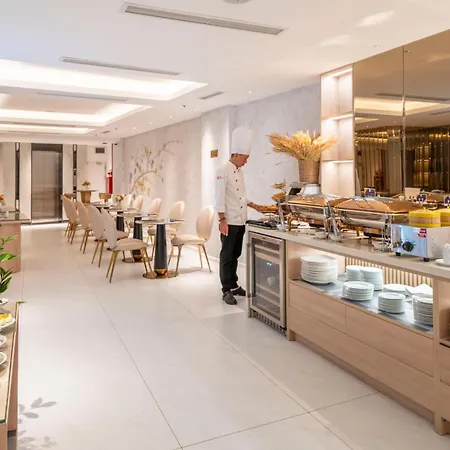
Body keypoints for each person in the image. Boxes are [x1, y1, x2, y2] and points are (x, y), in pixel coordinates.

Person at [215, 127, 260, 305]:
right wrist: (222, 220)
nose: (246, 161)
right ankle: (226, 289)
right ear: (237, 154)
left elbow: (240, 196)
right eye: (245, 158)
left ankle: (233, 285)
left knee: (236, 253)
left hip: (240, 220)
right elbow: (219, 198)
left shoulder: (239, 172)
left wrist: (255, 205)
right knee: (226, 255)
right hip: (229, 221)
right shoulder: (222, 170)